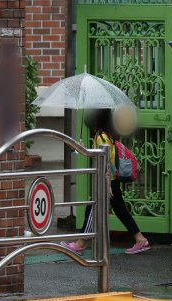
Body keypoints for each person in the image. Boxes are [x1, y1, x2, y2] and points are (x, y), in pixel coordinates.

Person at [61, 109, 151, 255]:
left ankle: (80, 243)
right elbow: (100, 156)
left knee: (92, 211)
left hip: (106, 181)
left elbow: (106, 161)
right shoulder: (105, 135)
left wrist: (107, 184)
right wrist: (82, 148)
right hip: (110, 180)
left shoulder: (102, 136)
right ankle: (140, 240)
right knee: (120, 211)